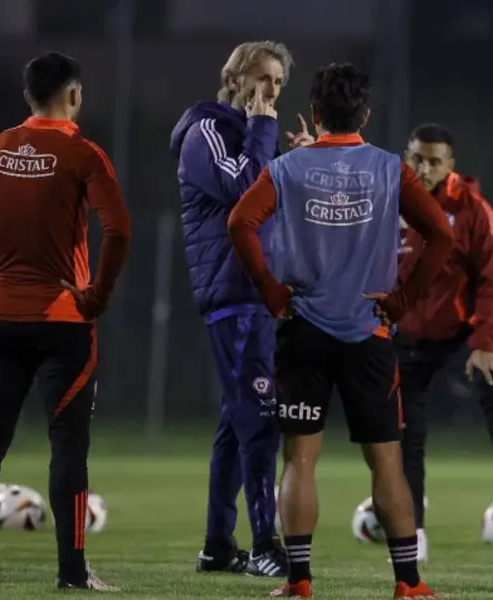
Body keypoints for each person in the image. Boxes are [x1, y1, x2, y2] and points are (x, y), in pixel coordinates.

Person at [227, 63, 454, 598]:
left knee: (299, 459)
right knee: (387, 461)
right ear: (365, 115)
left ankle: (299, 580)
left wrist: (271, 291)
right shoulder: (390, 168)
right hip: (368, 333)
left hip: (302, 328)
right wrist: (402, 301)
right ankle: (408, 584)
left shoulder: (288, 167)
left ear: (315, 113)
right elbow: (441, 235)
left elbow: (240, 222)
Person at [0, 51, 131, 590]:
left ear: (27, 97)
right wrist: (97, 296)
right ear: (75, 95)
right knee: (68, 447)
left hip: (4, 320)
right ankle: (72, 574)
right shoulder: (83, 153)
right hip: (65, 321)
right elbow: (119, 230)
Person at [170, 40, 314, 578]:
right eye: (261, 77)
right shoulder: (206, 130)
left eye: (278, 81)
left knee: (238, 424)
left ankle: (217, 546)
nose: (271, 90)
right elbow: (244, 187)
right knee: (260, 423)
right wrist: (264, 131)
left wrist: (298, 160)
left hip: (261, 295)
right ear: (234, 79)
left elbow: (275, 203)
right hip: (233, 294)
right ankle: (264, 546)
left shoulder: (257, 137)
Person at [395, 123, 493, 562]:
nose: (424, 168)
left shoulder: (473, 209)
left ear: (450, 166)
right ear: (405, 158)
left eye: (434, 161)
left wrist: (485, 341)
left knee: (492, 378)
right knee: (404, 433)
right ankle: (413, 535)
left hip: (458, 331)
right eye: (417, 158)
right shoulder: (387, 200)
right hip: (404, 335)